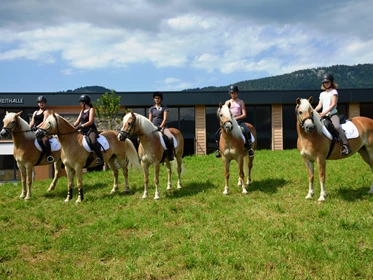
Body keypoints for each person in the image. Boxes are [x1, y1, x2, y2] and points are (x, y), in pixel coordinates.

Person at [314, 73, 351, 155]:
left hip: (333, 115)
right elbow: (320, 105)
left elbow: (333, 104)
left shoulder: (334, 91)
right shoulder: (322, 94)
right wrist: (313, 111)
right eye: (324, 82)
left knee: (337, 127)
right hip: (324, 115)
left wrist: (324, 112)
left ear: (331, 82)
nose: (326, 84)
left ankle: (346, 146)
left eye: (327, 82)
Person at [215, 85, 254, 158]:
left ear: (237, 93)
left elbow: (244, 114)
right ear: (230, 94)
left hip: (239, 121)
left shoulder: (241, 102)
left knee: (247, 131)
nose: (233, 94)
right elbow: (223, 111)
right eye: (232, 93)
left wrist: (235, 118)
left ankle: (249, 149)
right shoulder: (227, 102)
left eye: (234, 93)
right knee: (217, 134)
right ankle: (219, 150)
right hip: (229, 122)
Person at [73, 94, 104, 166]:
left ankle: (100, 158)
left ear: (84, 103)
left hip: (91, 130)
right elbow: (77, 121)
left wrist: (81, 125)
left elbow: (90, 121)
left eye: (81, 102)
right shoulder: (82, 111)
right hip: (83, 131)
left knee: (93, 142)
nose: (80, 104)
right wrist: (72, 126)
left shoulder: (91, 109)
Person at [148, 91, 174, 161]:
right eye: (155, 98)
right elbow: (149, 120)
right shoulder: (151, 109)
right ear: (154, 99)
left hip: (162, 127)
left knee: (170, 137)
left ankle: (170, 154)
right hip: (153, 127)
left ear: (161, 99)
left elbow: (165, 119)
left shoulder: (164, 108)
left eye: (158, 98)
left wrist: (160, 127)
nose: (157, 99)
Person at [29, 95, 54, 163]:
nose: (41, 104)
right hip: (35, 130)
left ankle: (49, 155)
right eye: (40, 102)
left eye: (42, 102)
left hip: (43, 130)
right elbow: (32, 122)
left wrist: (37, 127)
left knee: (44, 140)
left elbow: (44, 122)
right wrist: (28, 128)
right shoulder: (35, 112)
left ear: (45, 103)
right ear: (38, 103)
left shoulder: (46, 111)